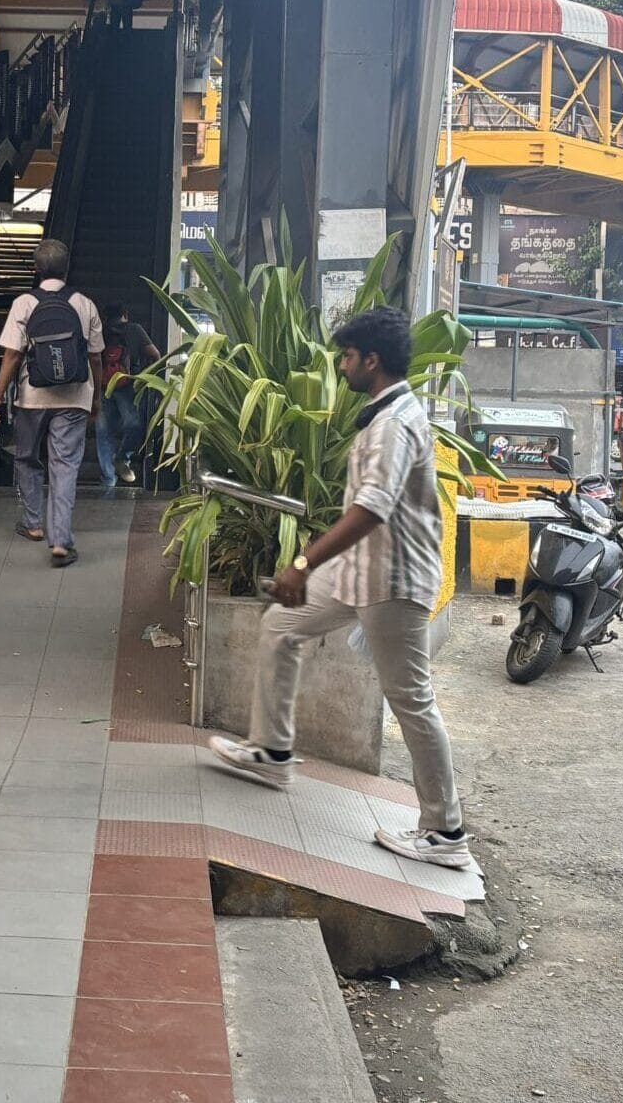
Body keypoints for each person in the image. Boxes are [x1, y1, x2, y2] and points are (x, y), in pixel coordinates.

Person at [208, 307, 472, 871]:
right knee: (281, 625)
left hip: (392, 581)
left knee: (412, 701)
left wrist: (302, 562)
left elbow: (372, 509)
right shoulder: (386, 415)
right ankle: (271, 751)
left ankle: (445, 831)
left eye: (347, 357)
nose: (341, 366)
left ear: (370, 361)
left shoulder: (395, 424)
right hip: (360, 571)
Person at [0, 239, 104, 567]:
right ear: (66, 269)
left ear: (36, 270)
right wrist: (95, 396)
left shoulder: (24, 303)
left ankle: (33, 523)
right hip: (74, 397)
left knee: (25, 458)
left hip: (32, 397)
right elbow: (95, 358)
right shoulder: (85, 304)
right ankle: (60, 542)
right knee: (64, 465)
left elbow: (12, 355)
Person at [95, 302, 159, 487]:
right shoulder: (135, 330)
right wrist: (146, 377)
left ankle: (108, 479)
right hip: (129, 385)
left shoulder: (99, 331)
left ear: (104, 316)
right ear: (126, 314)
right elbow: (156, 355)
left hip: (103, 386)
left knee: (103, 433)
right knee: (135, 425)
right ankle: (123, 457)